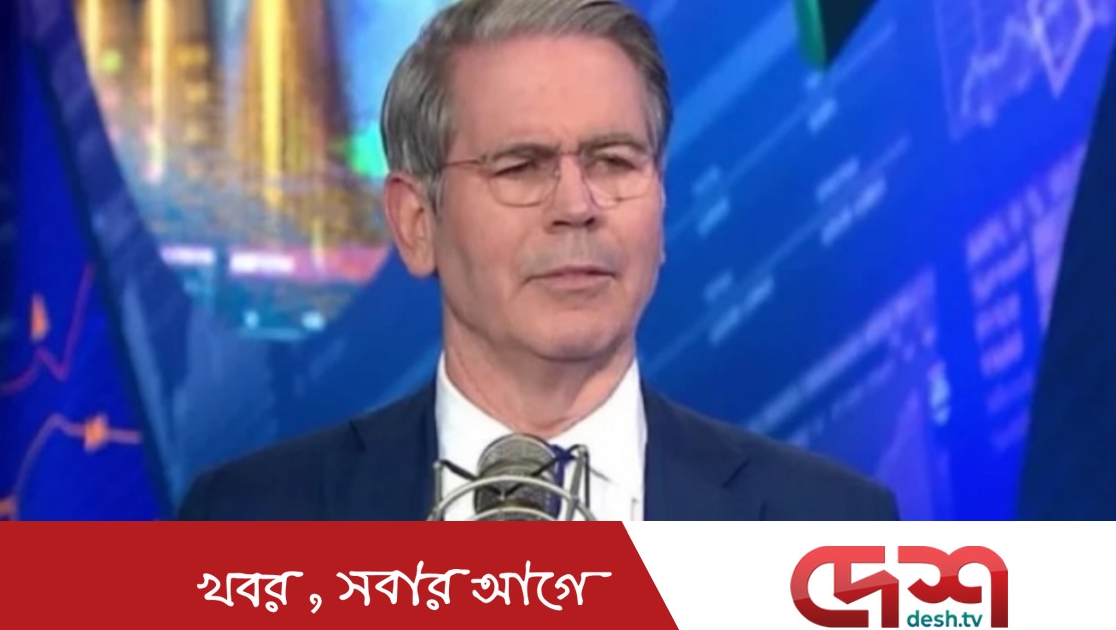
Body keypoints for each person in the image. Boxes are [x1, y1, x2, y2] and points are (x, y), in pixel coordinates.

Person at [177, 0, 898, 521]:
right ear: (417, 222)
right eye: (520, 167)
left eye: (614, 161)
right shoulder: (248, 519)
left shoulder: (829, 527)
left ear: (660, 202)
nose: (577, 205)